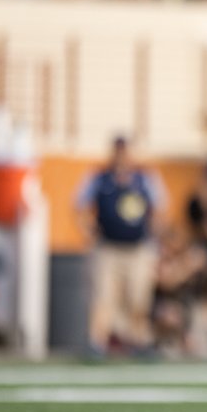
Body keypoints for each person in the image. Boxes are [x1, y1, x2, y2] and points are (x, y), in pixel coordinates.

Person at [76, 135, 165, 360]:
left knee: (138, 298)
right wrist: (89, 231)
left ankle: (140, 341)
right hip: (108, 247)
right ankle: (97, 342)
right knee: (103, 296)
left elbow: (160, 209)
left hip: (137, 248)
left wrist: (154, 236)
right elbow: (78, 206)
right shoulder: (99, 178)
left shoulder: (145, 179)